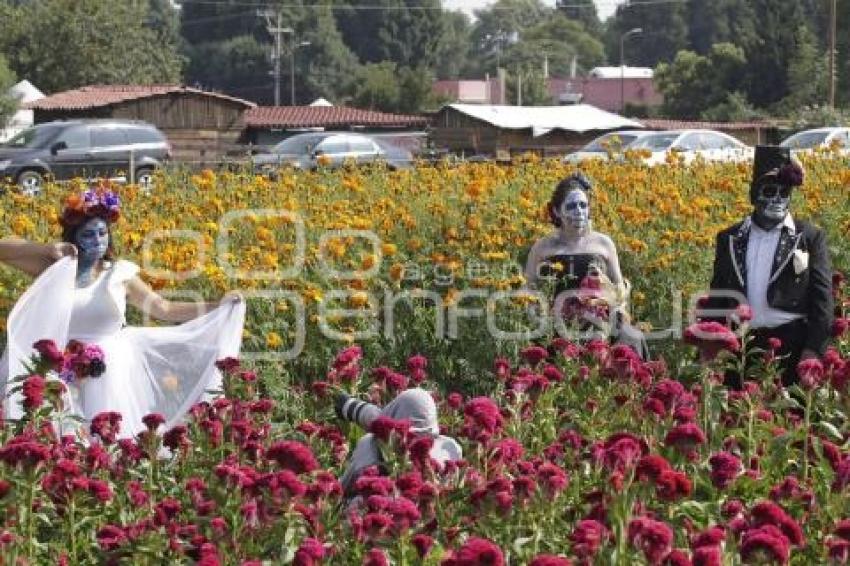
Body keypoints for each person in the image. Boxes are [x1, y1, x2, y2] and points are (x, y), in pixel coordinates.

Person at [0, 187, 246, 437]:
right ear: (73, 237)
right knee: (61, 436)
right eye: (88, 235)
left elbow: (164, 308)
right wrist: (47, 250)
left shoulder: (119, 274)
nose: (97, 241)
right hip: (60, 369)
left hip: (109, 371)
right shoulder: (54, 269)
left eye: (102, 233)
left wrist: (218, 304)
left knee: (107, 437)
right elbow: (4, 249)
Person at [703, 145, 833, 387]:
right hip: (742, 344)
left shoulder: (809, 237)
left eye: (784, 193)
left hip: (791, 343)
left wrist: (813, 350)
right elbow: (718, 294)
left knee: (790, 417)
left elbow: (822, 299)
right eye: (770, 191)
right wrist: (709, 345)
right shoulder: (730, 237)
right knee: (739, 419)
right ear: (754, 194)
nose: (777, 199)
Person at [524, 172, 648, 358]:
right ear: (557, 211)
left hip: (601, 322)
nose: (579, 211)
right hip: (558, 323)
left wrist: (616, 310)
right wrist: (540, 318)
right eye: (571, 206)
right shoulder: (543, 247)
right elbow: (528, 292)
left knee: (632, 338)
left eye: (583, 205)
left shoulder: (604, 244)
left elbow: (619, 290)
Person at [334, 388, 462, 496]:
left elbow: (340, 491)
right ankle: (347, 405)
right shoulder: (450, 448)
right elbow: (378, 419)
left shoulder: (370, 451)